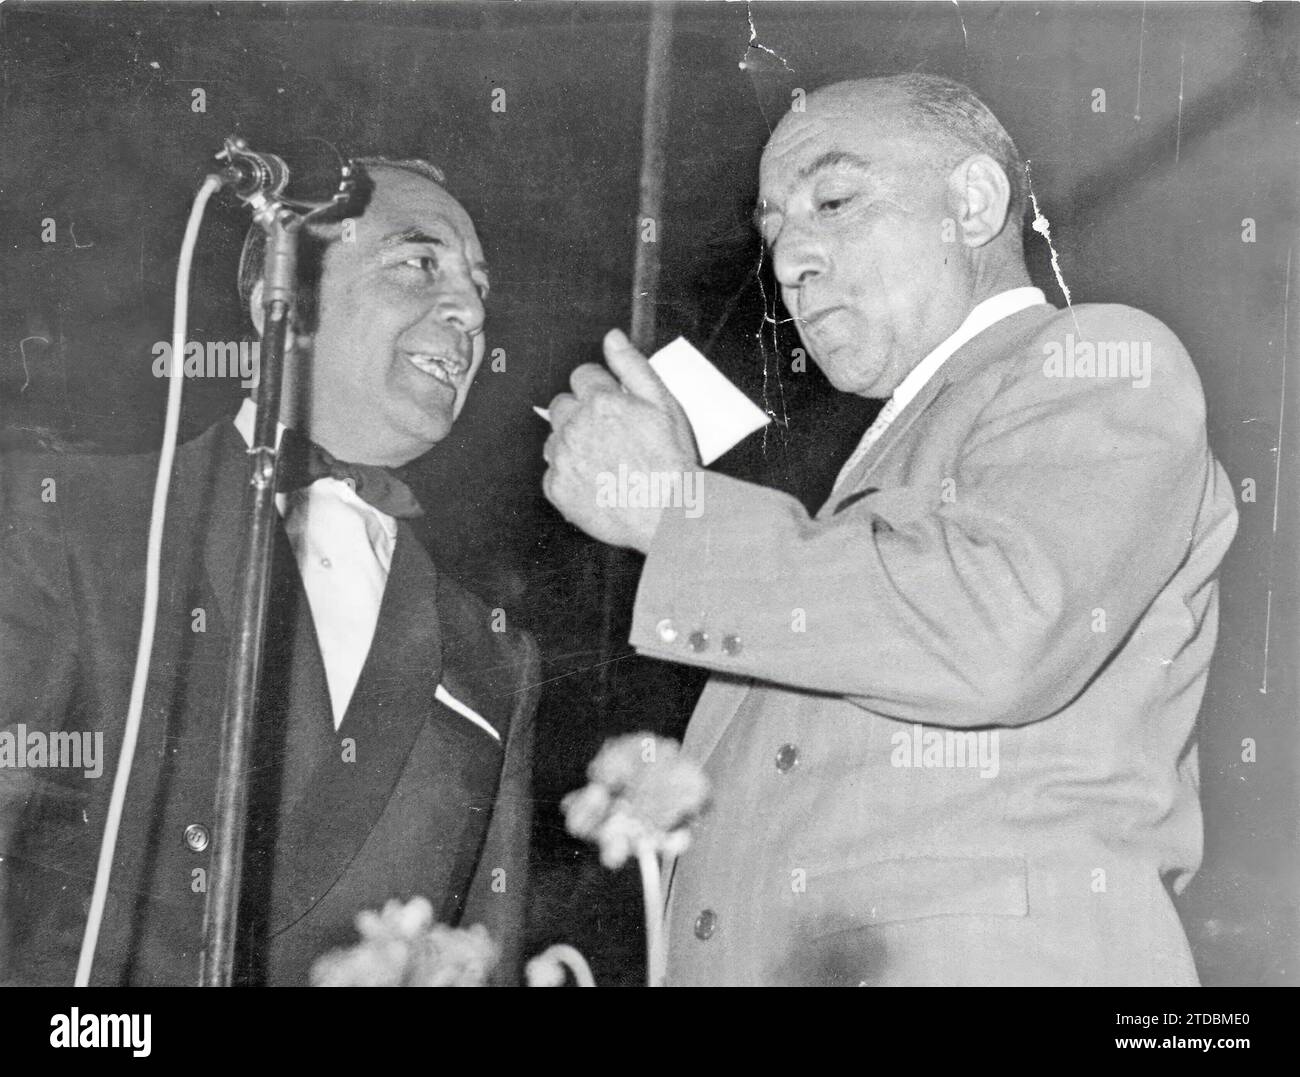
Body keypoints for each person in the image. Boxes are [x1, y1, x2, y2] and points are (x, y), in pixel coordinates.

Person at [541, 74, 1239, 986]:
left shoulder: (1102, 360)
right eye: (776, 229)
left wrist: (676, 515)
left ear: (975, 201)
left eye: (833, 200)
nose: (790, 259)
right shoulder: (870, 472)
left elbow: (997, 627)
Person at [0, 158, 539, 986]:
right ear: (282, 301)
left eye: (477, 288)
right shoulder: (65, 519)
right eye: (419, 262)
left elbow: (483, 958)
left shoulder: (494, 655)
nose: (469, 310)